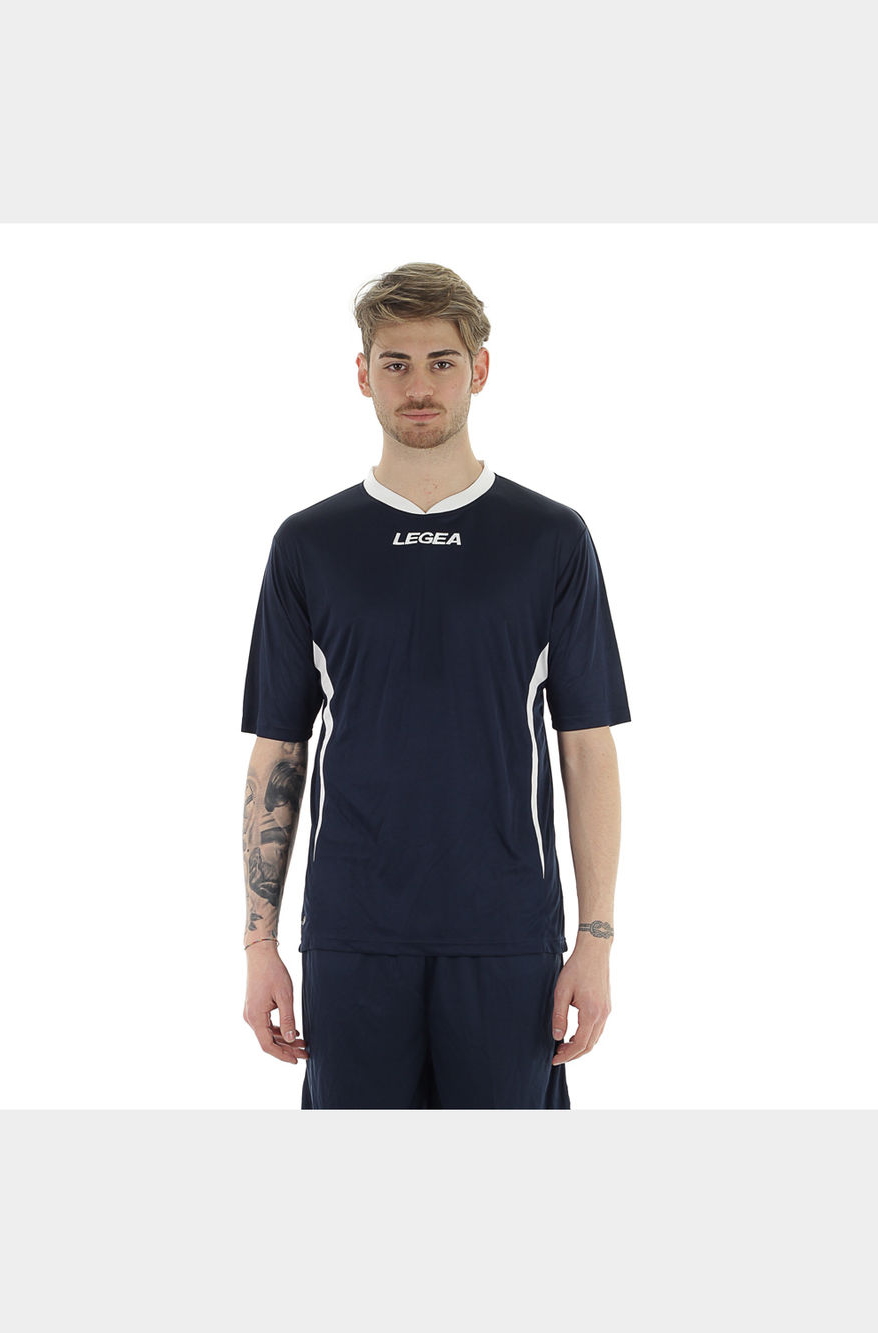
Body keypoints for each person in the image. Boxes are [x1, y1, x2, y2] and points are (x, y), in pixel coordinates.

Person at [240, 261, 631, 1109]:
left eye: (440, 362)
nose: (418, 386)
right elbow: (280, 749)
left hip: (507, 934)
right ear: (362, 374)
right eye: (396, 363)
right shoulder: (308, 543)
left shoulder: (550, 538)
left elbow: (584, 745)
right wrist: (258, 943)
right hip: (351, 934)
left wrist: (595, 939)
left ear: (478, 369)